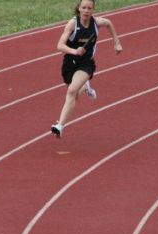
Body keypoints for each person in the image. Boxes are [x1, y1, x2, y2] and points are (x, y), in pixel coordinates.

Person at [50, 0, 122, 138]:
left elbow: (109, 23)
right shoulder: (73, 24)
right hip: (70, 63)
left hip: (86, 64)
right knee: (75, 94)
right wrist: (74, 50)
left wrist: (117, 43)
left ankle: (60, 126)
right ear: (79, 8)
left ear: (93, 9)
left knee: (71, 92)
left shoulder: (96, 23)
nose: (86, 11)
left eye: (89, 8)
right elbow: (59, 45)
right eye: (84, 8)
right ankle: (86, 86)